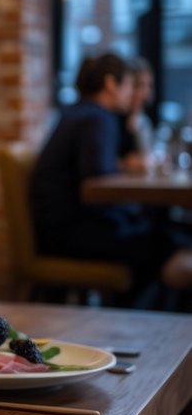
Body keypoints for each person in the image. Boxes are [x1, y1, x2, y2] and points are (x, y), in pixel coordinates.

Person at [31, 52, 192, 300]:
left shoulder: (80, 113)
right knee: (168, 241)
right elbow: (98, 181)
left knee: (167, 233)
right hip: (73, 234)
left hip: (59, 229)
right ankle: (159, 319)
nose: (131, 92)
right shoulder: (97, 117)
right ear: (110, 84)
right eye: (128, 84)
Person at [119, 57, 156, 173]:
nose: (146, 92)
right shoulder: (112, 119)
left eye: (149, 85)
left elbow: (147, 159)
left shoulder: (143, 120)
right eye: (139, 85)